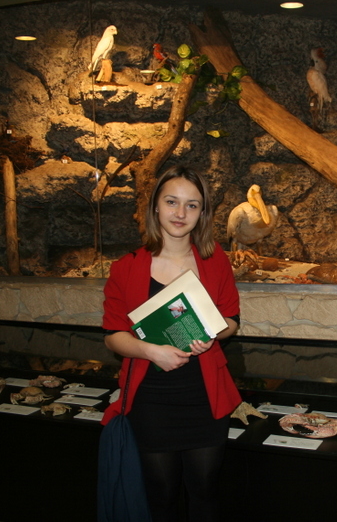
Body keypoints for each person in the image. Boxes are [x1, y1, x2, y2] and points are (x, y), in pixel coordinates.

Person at [101, 165, 242, 522]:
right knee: (161, 496)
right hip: (152, 400)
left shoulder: (215, 260)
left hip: (204, 396)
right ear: (155, 206)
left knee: (205, 491)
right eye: (171, 202)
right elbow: (113, 335)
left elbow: (231, 320)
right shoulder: (126, 267)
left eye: (192, 205)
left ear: (202, 212)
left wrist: (211, 334)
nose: (181, 213)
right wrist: (151, 351)